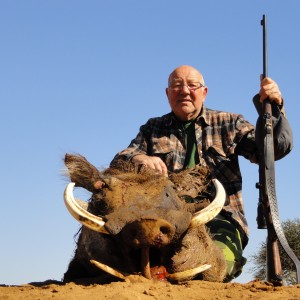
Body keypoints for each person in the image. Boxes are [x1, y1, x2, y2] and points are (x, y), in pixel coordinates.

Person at [110, 65, 293, 282]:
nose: (184, 91)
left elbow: (274, 149)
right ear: (168, 94)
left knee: (215, 263)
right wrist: (139, 158)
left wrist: (275, 107)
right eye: (176, 86)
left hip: (219, 218)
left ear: (204, 93)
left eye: (192, 85)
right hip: (168, 220)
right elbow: (119, 161)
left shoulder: (230, 123)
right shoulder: (152, 128)